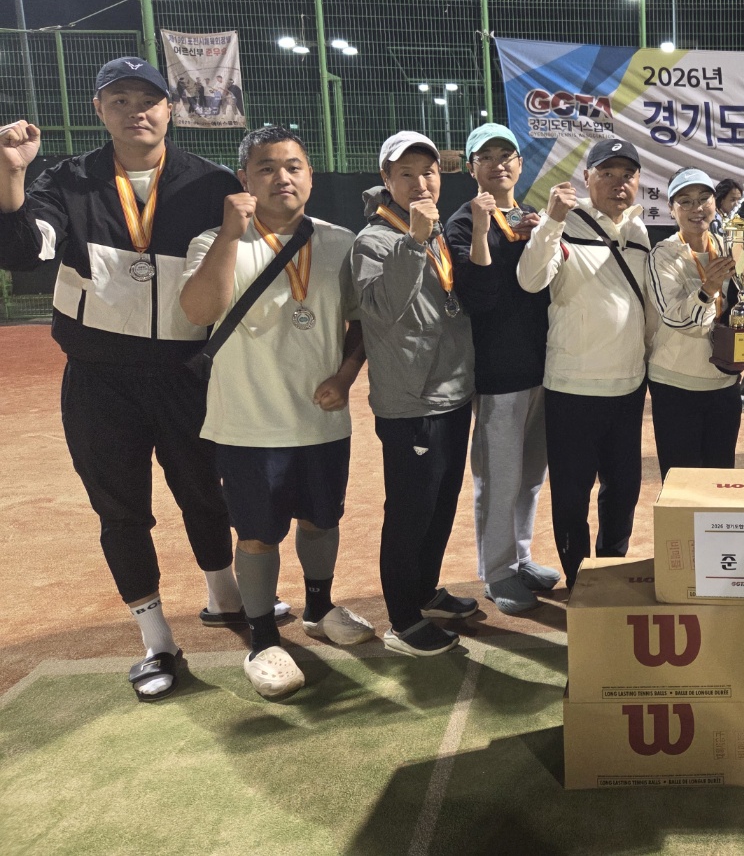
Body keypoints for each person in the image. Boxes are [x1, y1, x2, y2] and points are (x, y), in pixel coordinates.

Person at [0, 58, 273, 703]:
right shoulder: (67, 180)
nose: (135, 112)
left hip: (184, 374)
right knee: (121, 511)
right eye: (119, 100)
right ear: (99, 110)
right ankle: (157, 641)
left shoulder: (208, 183)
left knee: (205, 494)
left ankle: (224, 596)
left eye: (147, 99)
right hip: (99, 380)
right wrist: (11, 175)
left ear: (170, 108)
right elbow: (23, 252)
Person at [180, 126, 369, 699]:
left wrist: (345, 376)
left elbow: (360, 323)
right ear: (244, 179)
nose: (281, 177)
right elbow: (198, 312)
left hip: (322, 421)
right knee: (258, 535)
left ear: (310, 176)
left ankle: (319, 609)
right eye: (266, 168)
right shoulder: (213, 241)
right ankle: (263, 639)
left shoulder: (339, 241)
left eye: (293, 166)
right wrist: (229, 237)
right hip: (249, 424)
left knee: (322, 520)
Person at [353, 130, 478, 654]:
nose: (420, 182)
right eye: (406, 173)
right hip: (411, 403)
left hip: (453, 394)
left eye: (428, 172)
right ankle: (403, 621)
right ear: (387, 179)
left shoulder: (436, 231)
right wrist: (413, 242)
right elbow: (381, 309)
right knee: (409, 512)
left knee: (441, 504)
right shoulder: (375, 241)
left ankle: (425, 591)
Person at [517, 137, 652, 587]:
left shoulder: (639, 230)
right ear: (587, 178)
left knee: (624, 489)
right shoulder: (563, 224)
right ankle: (578, 579)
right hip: (573, 388)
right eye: (607, 173)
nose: (618, 183)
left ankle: (611, 568)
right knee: (572, 495)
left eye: (627, 175)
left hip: (628, 386)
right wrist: (552, 221)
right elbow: (531, 280)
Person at [444, 124, 559, 614]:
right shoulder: (462, 223)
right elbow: (480, 298)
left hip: (542, 368)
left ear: (520, 164)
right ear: (472, 168)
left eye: (506, 155)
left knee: (530, 476)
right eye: (486, 156)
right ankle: (496, 572)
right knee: (499, 479)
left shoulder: (529, 216)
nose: (498, 164)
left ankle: (521, 556)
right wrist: (483, 229)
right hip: (496, 373)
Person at [646, 168, 740, 477]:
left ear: (715, 203)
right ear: (671, 209)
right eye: (685, 202)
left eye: (703, 199)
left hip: (725, 382)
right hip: (676, 384)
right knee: (681, 484)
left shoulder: (730, 248)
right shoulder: (663, 254)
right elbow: (676, 317)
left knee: (720, 481)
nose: (696, 208)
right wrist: (708, 288)